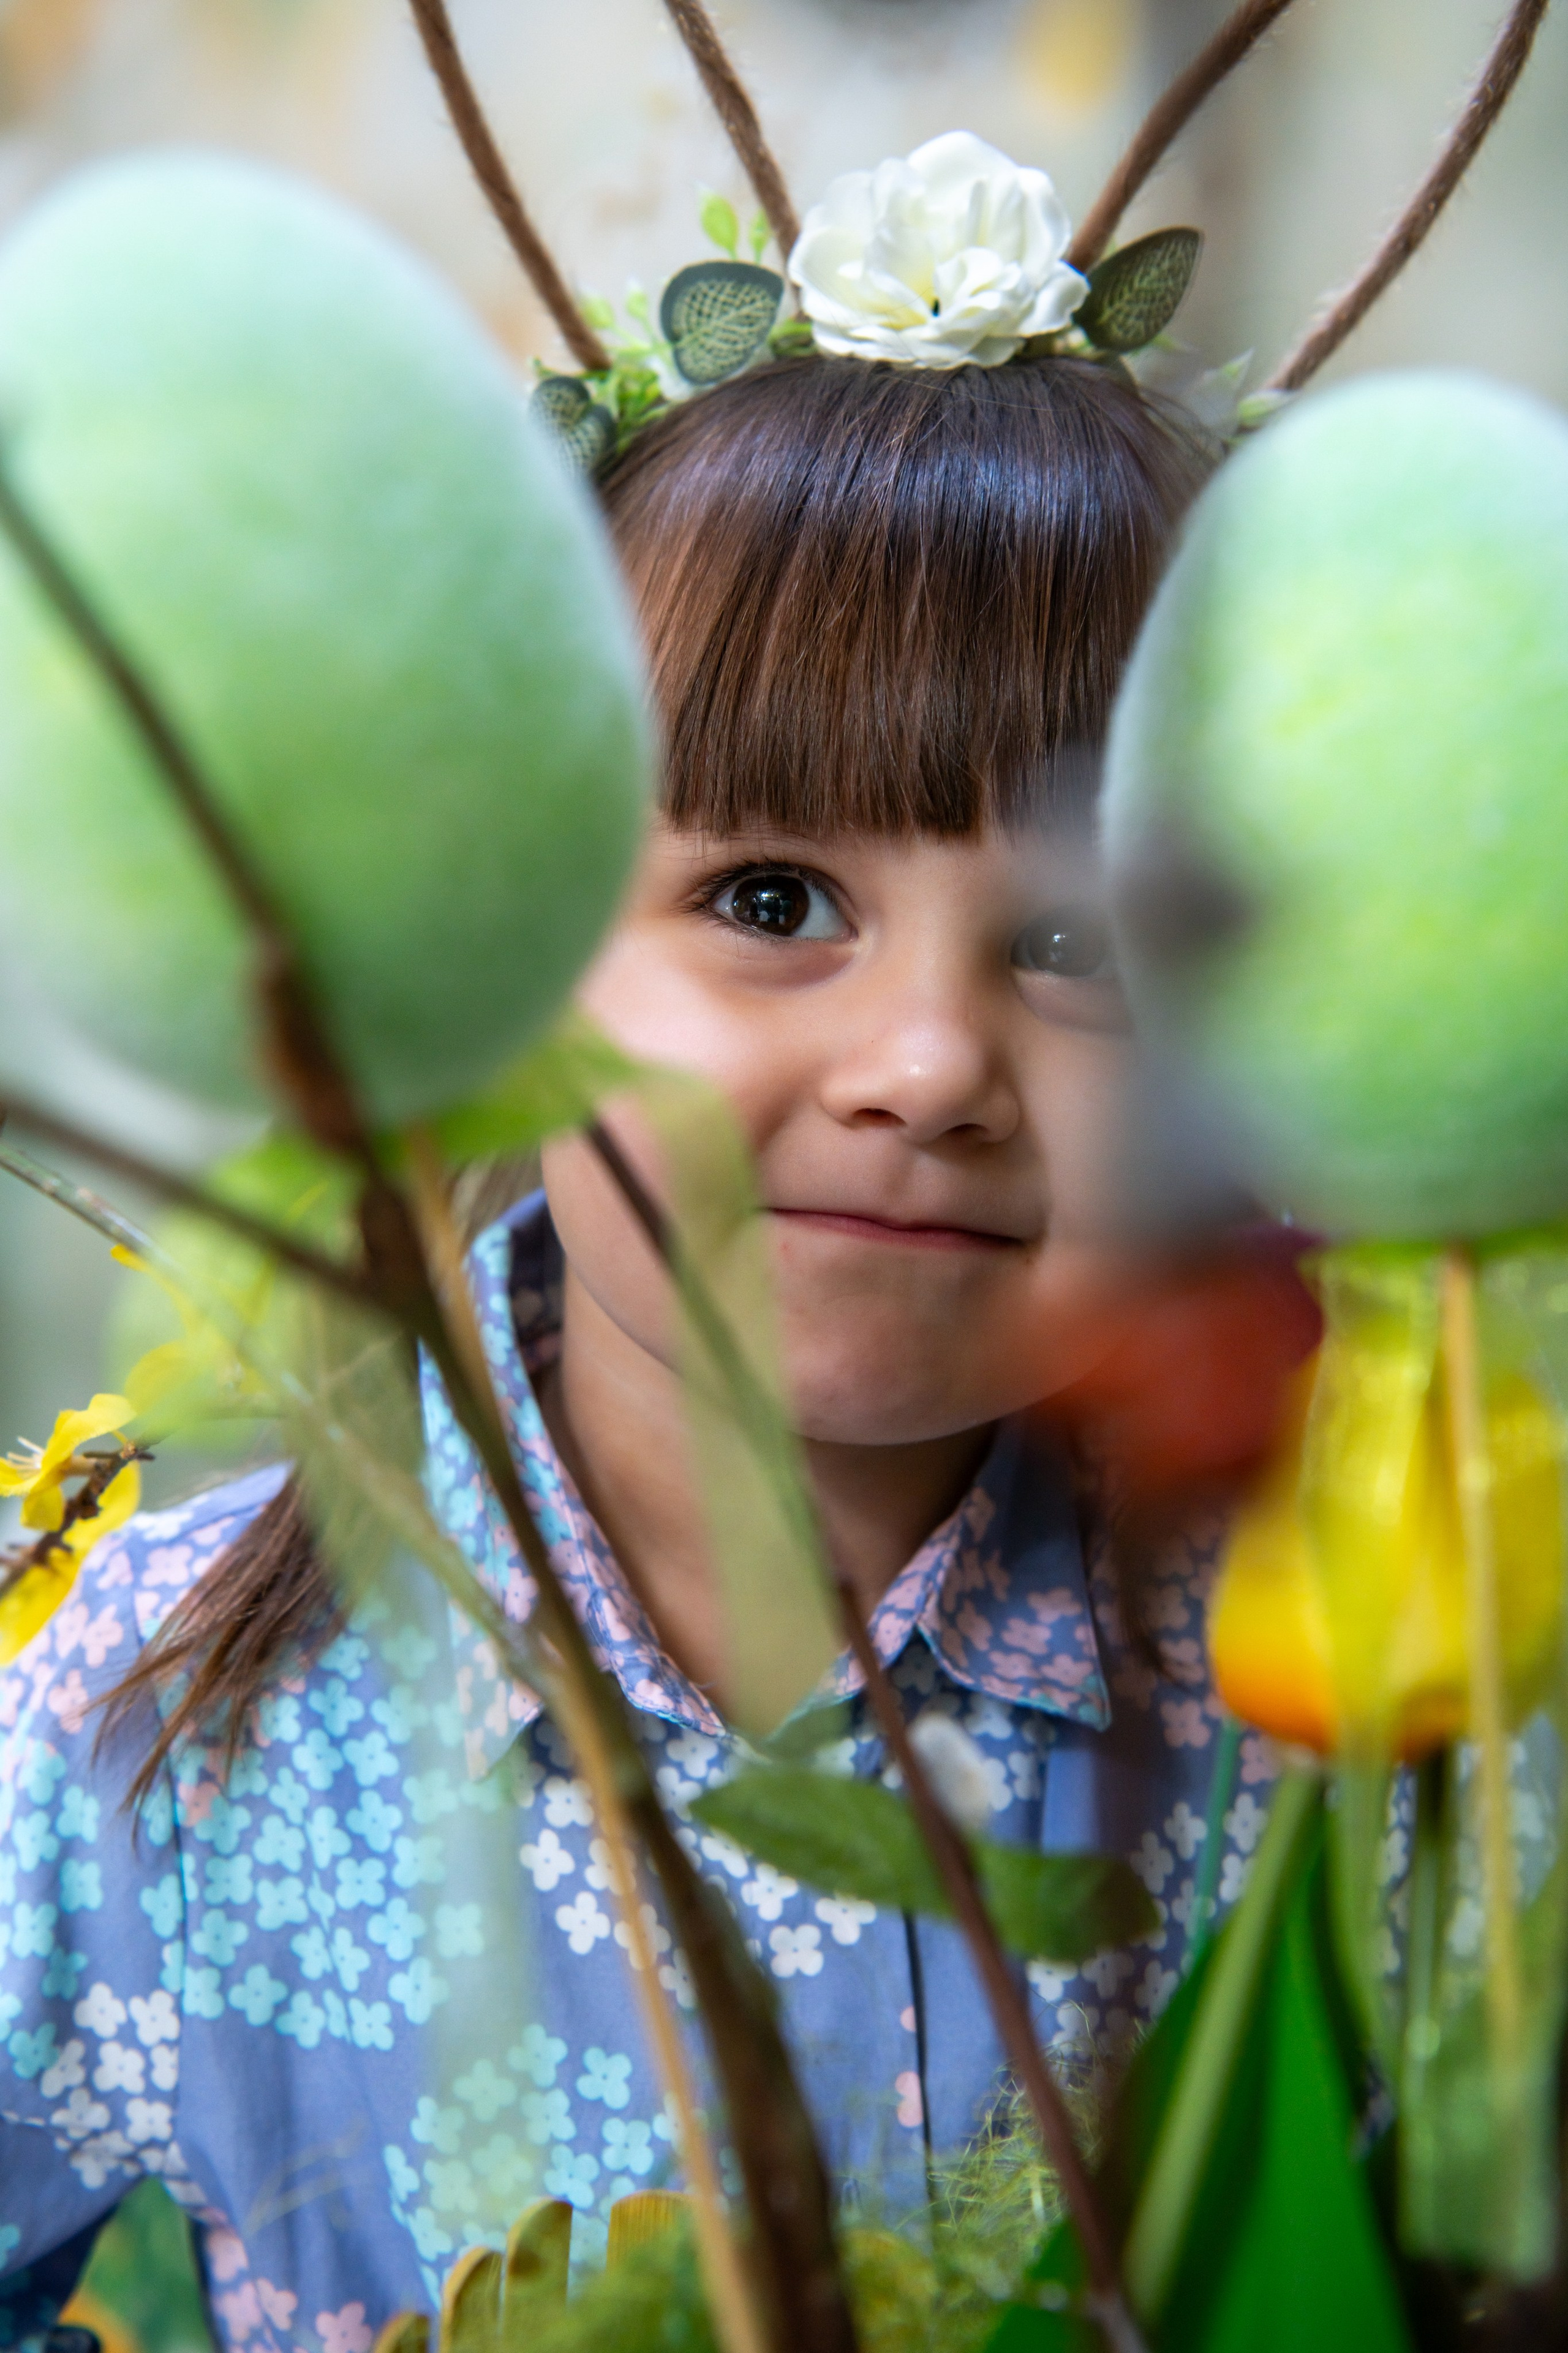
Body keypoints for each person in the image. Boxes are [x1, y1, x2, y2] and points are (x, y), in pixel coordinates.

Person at [0, 308, 1283, 2346]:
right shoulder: (134, 1722)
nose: (931, 1060)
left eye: (1079, 943)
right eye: (773, 900)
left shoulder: (1355, 1720)